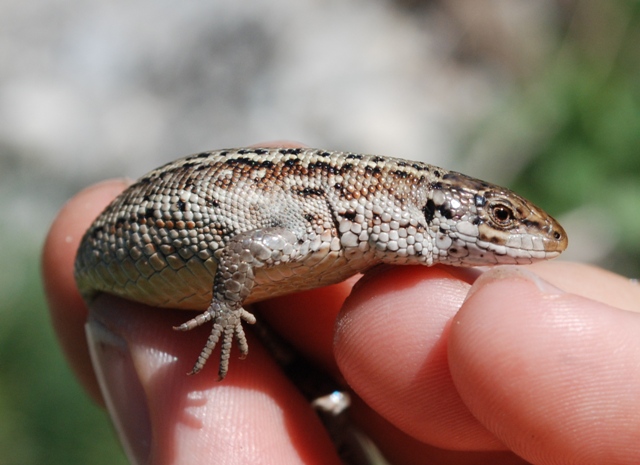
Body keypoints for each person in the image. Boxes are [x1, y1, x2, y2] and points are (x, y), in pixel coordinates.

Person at [42, 143, 640, 464]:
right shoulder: (325, 226)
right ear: (435, 208)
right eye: (502, 219)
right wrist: (226, 310)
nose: (525, 236)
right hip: (124, 237)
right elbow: (245, 251)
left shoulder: (351, 244)